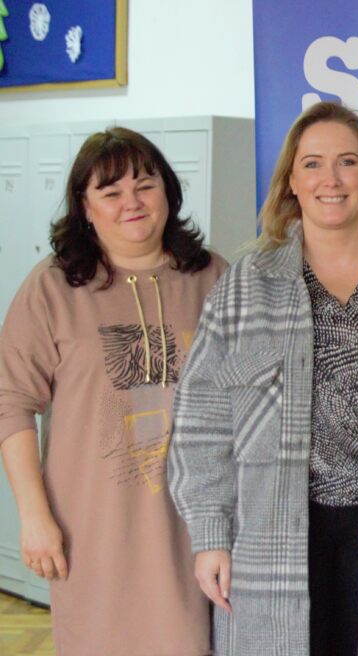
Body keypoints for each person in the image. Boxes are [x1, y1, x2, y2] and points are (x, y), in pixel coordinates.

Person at [168, 101, 358, 656]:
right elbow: (201, 421)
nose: (331, 179)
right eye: (312, 164)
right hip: (275, 535)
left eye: (347, 162)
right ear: (291, 182)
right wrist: (210, 536)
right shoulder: (247, 284)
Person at [0, 127, 226, 655]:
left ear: (168, 191)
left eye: (145, 185)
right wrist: (34, 517)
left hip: (193, 529)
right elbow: (11, 403)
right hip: (91, 530)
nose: (132, 202)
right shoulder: (53, 287)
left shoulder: (213, 277)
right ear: (85, 207)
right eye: (111, 191)